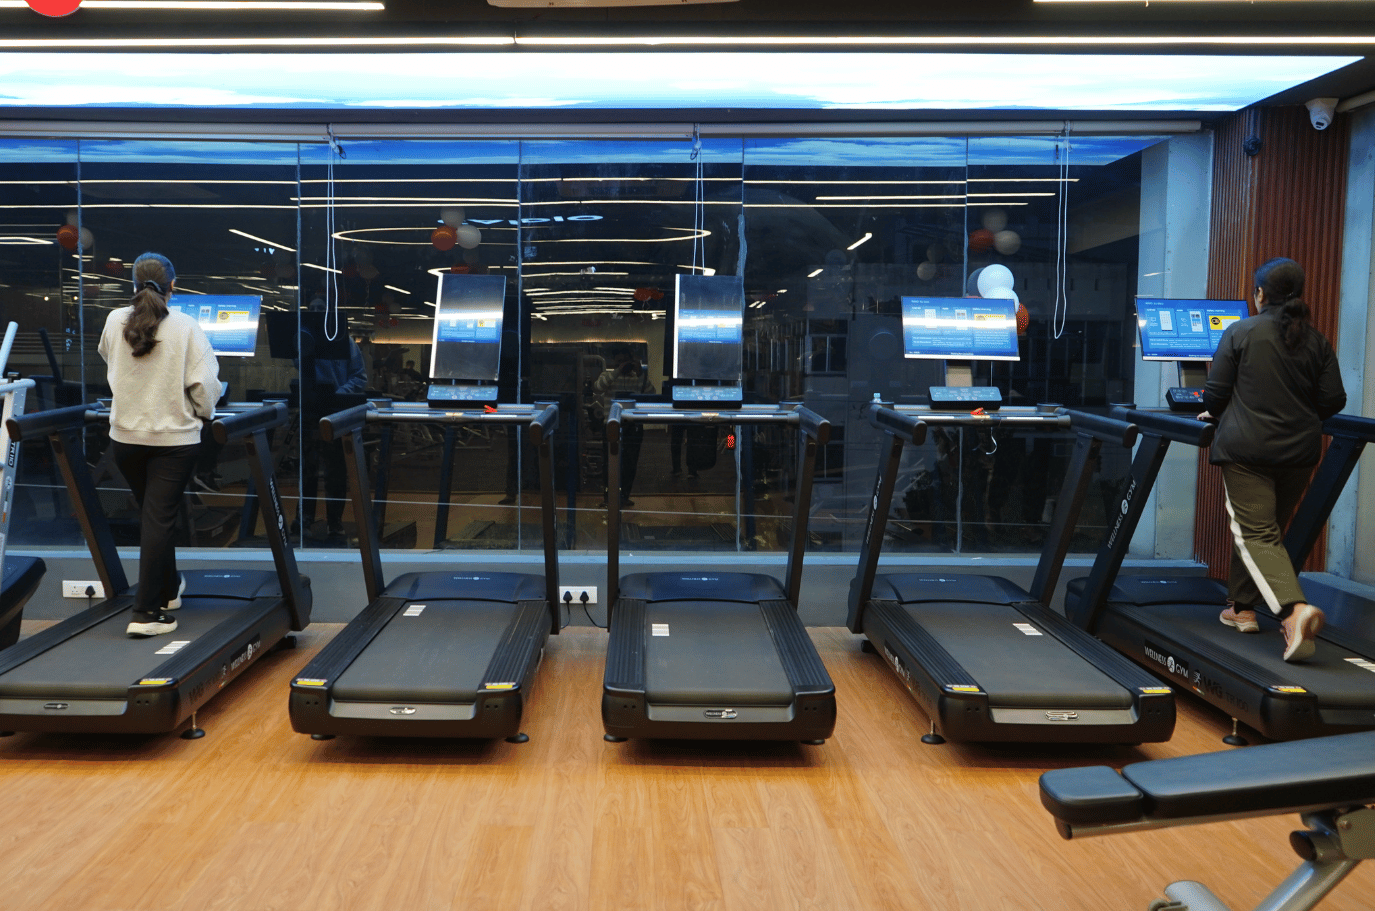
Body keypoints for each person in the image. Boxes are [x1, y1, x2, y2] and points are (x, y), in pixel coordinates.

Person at [1202, 257, 1346, 663]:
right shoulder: (1316, 341)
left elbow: (1215, 395)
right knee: (1265, 531)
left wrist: (1218, 411)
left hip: (1247, 451)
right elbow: (1334, 399)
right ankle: (1241, 608)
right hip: (1299, 453)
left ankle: (1293, 612)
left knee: (1256, 534)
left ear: (1260, 294)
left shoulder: (1241, 331)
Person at [98, 252, 222, 637]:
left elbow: (109, 358)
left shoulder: (114, 320)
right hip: (173, 440)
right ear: (173, 285)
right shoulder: (186, 326)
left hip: (126, 439)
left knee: (154, 516)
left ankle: (167, 591)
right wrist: (204, 412)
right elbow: (205, 386)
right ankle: (146, 613)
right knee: (158, 519)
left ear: (133, 284)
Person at [294, 294, 368, 542]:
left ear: (329, 313)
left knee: (335, 470)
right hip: (311, 410)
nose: (316, 312)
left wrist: (339, 394)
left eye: (320, 308)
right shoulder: (304, 340)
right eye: (312, 308)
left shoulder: (346, 342)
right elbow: (297, 364)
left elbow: (359, 377)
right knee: (308, 468)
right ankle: (304, 519)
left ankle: (334, 522)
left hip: (336, 412)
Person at [594, 347, 654, 506]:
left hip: (633, 426)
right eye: (619, 362)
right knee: (609, 463)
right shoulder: (607, 375)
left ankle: (624, 496)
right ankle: (608, 499)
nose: (623, 365)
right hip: (611, 424)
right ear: (614, 362)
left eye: (625, 361)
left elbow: (651, 394)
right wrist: (617, 371)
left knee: (630, 463)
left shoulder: (638, 378)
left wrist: (640, 374)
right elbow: (598, 388)